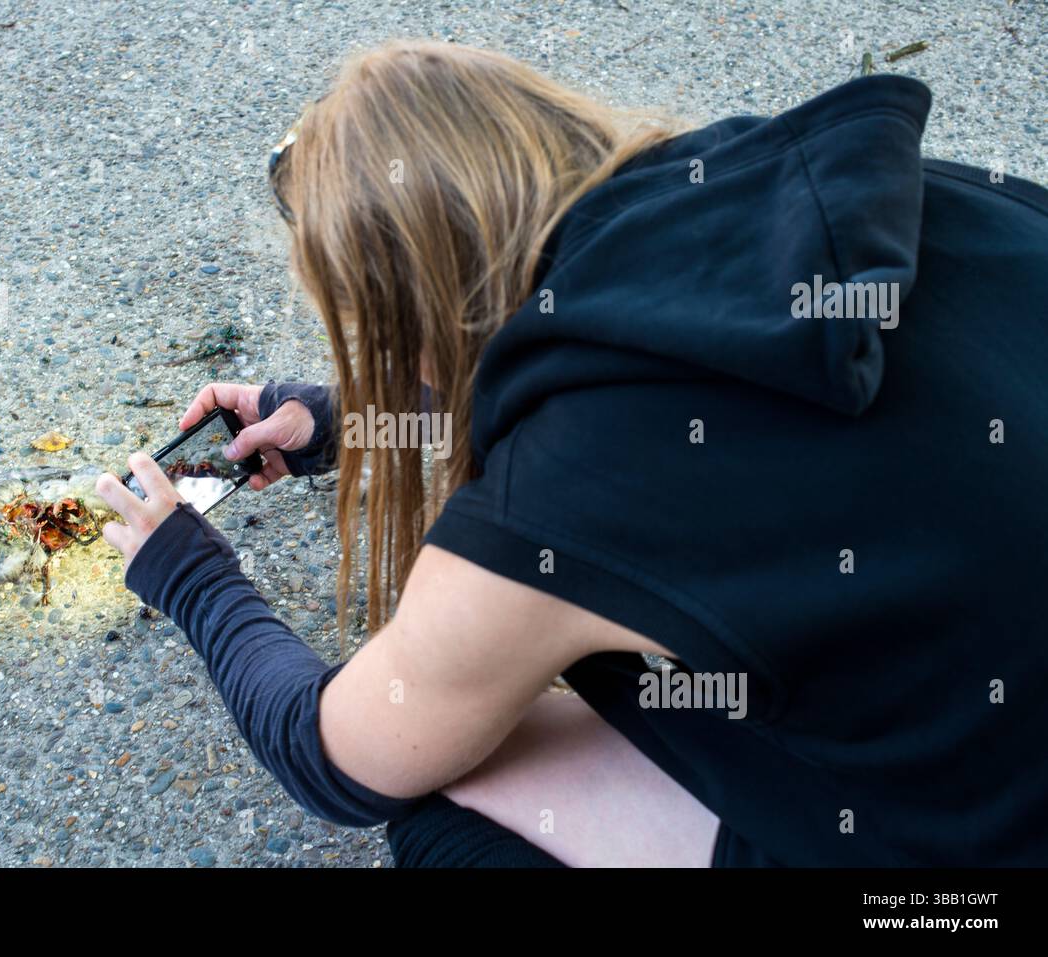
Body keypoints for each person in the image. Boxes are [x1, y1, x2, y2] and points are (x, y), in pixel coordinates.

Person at [94, 41, 1048, 867]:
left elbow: (333, 754)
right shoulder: (806, 189)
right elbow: (671, 355)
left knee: (452, 790)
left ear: (399, 317)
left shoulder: (552, 508)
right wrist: (352, 416)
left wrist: (188, 573)